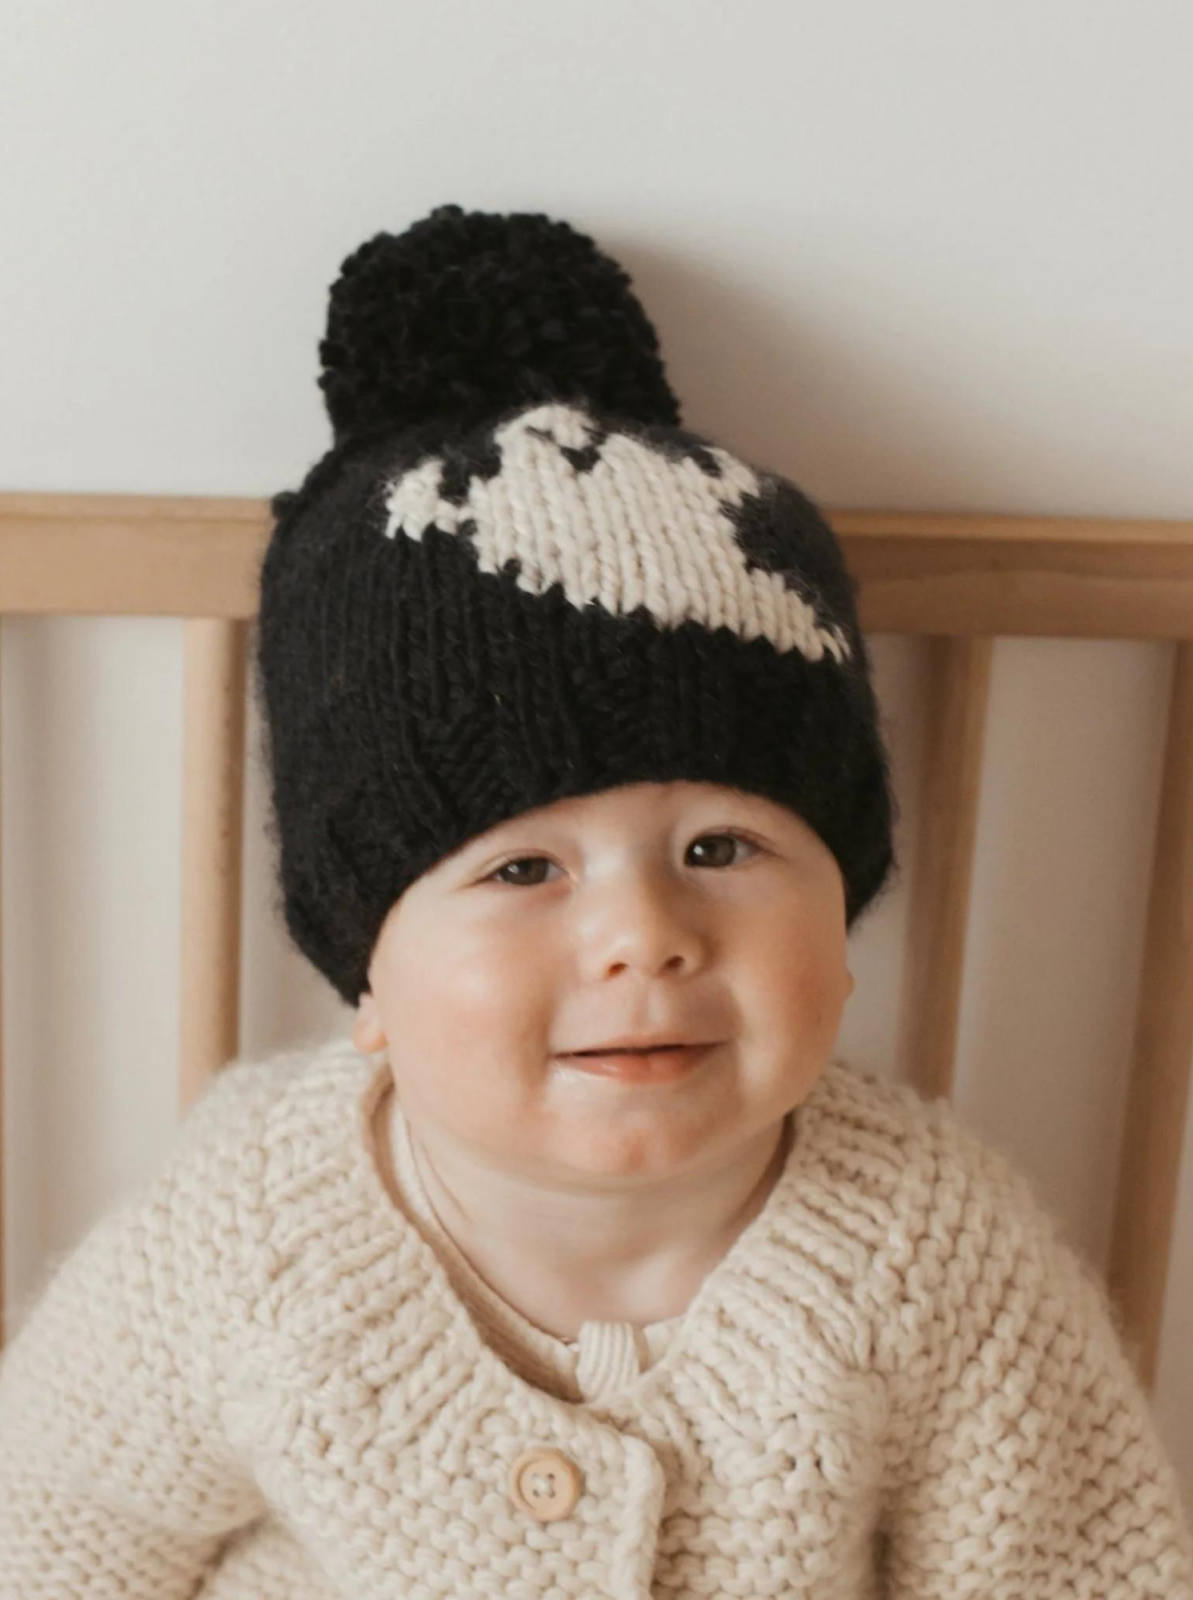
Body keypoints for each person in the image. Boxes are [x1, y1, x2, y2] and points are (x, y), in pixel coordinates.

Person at [0, 202, 1189, 1599]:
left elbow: (1073, 1570)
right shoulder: (245, 1232)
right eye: (522, 870)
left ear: (842, 914)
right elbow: (54, 1528)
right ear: (367, 972)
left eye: (722, 848)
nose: (645, 937)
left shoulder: (935, 1250)